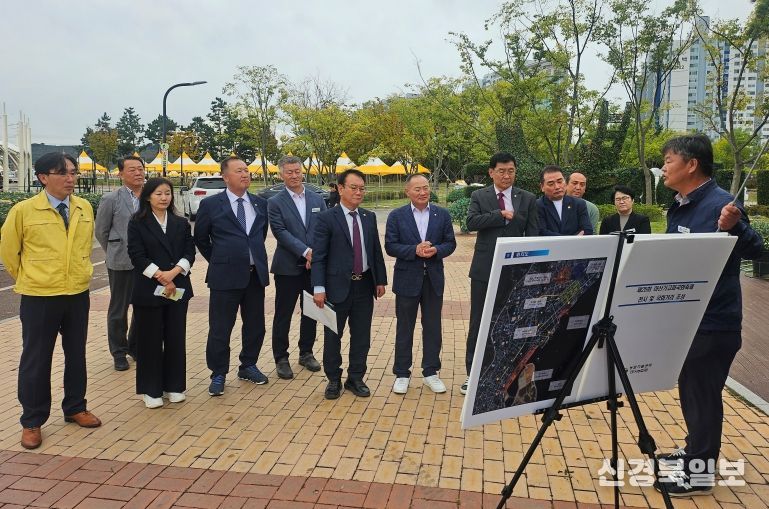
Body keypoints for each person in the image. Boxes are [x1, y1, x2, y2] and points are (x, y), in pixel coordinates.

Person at [656, 134, 764, 497]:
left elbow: (756, 250)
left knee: (702, 395)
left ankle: (699, 473)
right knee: (692, 390)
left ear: (691, 164)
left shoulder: (722, 205)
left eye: (668, 160)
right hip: (687, 317)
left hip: (713, 321)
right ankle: (694, 453)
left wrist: (737, 225)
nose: (664, 167)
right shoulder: (681, 204)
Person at [0, 152, 102, 450]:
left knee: (76, 353)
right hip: (39, 296)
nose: (71, 178)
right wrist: (32, 277)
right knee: (36, 358)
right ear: (43, 177)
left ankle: (75, 407)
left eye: (73, 172)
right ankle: (32, 420)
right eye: (63, 173)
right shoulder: (24, 211)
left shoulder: (83, 208)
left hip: (77, 293)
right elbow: (9, 253)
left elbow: (85, 248)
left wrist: (80, 274)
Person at [194, 156, 270, 396]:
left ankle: (248, 365)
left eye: (247, 170)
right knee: (220, 327)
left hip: (254, 275)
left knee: (255, 325)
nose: (245, 174)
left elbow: (259, 235)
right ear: (225, 177)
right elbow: (201, 239)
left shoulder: (260, 203)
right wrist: (220, 259)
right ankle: (218, 373)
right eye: (239, 171)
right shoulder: (211, 205)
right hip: (224, 277)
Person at [464, 152, 538, 395]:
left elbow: (534, 235)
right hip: (485, 270)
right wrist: (499, 215)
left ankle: (507, 373)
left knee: (511, 322)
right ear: (491, 172)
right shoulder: (479, 195)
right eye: (502, 171)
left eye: (511, 171)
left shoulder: (527, 198)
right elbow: (472, 222)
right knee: (480, 321)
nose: (507, 176)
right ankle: (473, 374)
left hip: (516, 273)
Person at [312, 169, 387, 400]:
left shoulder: (368, 217)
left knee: (361, 335)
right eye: (353, 187)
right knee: (333, 335)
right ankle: (333, 379)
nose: (358, 192)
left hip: (364, 285)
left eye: (362, 188)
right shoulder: (326, 218)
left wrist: (380, 280)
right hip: (335, 288)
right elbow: (319, 256)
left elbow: (375, 251)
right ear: (340, 188)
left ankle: (356, 378)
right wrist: (318, 288)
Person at [127, 178, 195, 408]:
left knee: (176, 338)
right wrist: (160, 275)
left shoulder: (180, 223)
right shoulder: (137, 223)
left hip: (177, 287)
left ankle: (174, 386)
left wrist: (174, 273)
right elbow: (136, 255)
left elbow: (189, 252)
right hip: (149, 289)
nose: (164, 197)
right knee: (150, 340)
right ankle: (151, 390)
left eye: (167, 193)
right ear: (148, 197)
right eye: (158, 193)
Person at [385, 174, 456, 394]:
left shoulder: (441, 214)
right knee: (404, 327)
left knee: (433, 327)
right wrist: (413, 250)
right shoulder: (397, 216)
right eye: (417, 189)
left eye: (425, 188)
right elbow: (390, 246)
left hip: (433, 279)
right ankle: (402, 373)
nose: (423, 192)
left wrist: (437, 251)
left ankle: (430, 372)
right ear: (407, 191)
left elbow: (450, 243)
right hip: (407, 279)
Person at [267, 155, 325, 379]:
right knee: (284, 313)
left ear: (303, 172)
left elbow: (322, 229)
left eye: (297, 171)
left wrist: (316, 254)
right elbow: (280, 232)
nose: (294, 175)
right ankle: (281, 357)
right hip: (288, 267)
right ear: (281, 174)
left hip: (313, 267)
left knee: (311, 311)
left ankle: (306, 352)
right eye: (289, 172)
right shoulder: (275, 202)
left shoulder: (317, 199)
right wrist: (306, 251)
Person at [95, 155, 144, 371]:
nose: (138, 173)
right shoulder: (111, 199)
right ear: (121, 174)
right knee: (119, 308)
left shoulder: (151, 195)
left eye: (140, 168)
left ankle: (135, 346)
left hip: (147, 263)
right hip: (120, 261)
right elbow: (101, 231)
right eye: (132, 169)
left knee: (143, 306)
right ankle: (118, 351)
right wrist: (114, 250)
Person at [536, 165, 593, 236]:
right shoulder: (537, 205)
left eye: (560, 182)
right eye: (551, 184)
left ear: (565, 182)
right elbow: (541, 232)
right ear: (542, 187)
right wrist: (572, 239)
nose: (557, 187)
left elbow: (587, 230)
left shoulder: (579, 204)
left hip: (577, 246)